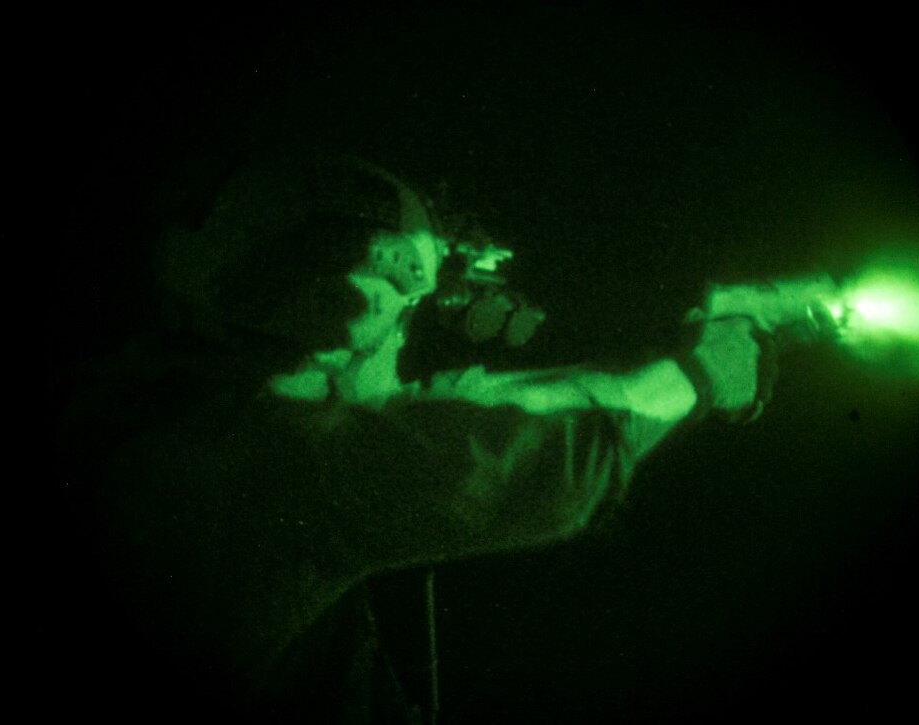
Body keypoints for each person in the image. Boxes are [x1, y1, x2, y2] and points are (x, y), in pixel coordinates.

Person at [57, 153, 835, 722]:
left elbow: (451, 407)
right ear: (343, 306)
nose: (408, 338)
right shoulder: (280, 460)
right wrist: (704, 372)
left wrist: (678, 354)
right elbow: (543, 463)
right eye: (403, 312)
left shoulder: (171, 403)